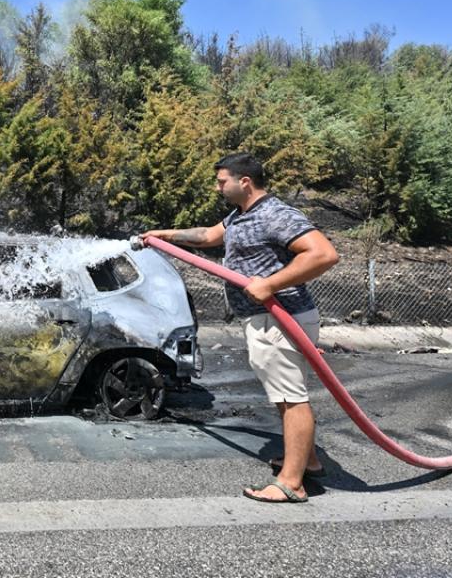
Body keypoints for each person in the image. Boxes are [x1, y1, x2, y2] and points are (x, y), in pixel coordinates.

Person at [142, 152, 339, 504]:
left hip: (281, 317)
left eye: (222, 181)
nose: (218, 187)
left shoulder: (275, 214)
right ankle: (306, 460)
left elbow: (322, 254)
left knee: (291, 398)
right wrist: (164, 235)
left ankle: (291, 483)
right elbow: (206, 237)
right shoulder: (240, 216)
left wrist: (270, 284)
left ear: (244, 181)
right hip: (266, 319)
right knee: (285, 394)